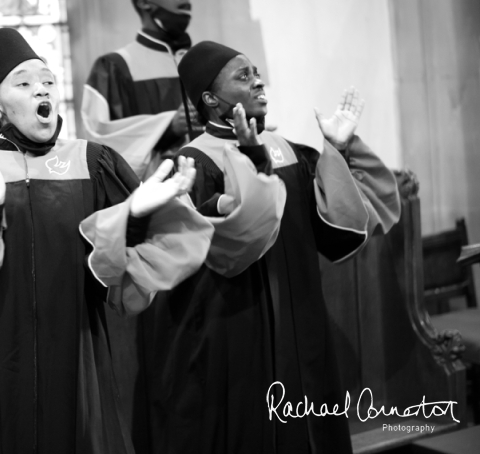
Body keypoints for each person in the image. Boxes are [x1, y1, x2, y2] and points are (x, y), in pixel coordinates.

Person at [0, 27, 217, 454]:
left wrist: (134, 217)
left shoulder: (92, 163)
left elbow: (118, 277)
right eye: (23, 84)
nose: (42, 90)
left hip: (79, 354)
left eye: (47, 82)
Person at [140, 41, 402, 453]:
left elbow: (338, 233)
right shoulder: (193, 163)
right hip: (237, 329)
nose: (258, 81)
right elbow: (218, 248)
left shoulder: (287, 151)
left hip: (304, 317)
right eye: (243, 76)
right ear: (211, 99)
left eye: (256, 72)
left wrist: (337, 147)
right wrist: (247, 160)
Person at [82, 0, 198, 179]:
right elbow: (97, 140)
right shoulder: (113, 67)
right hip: (152, 193)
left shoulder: (203, 63)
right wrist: (168, 127)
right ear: (145, 3)